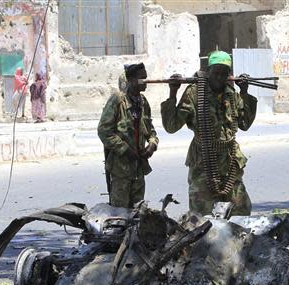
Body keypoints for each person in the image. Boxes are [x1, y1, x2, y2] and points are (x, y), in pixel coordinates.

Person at [161, 51, 258, 216]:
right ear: (208, 71)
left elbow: (244, 124)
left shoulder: (232, 94)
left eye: (224, 72)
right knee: (201, 215)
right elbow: (171, 126)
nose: (220, 77)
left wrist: (245, 92)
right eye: (216, 72)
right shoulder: (195, 93)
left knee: (240, 210)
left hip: (230, 161)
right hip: (204, 161)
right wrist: (173, 93)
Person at [98, 63, 159, 208]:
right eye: (141, 78)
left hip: (139, 169)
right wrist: (125, 149)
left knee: (138, 213)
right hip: (121, 171)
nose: (145, 81)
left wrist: (152, 145)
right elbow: (104, 131)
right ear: (131, 80)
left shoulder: (143, 102)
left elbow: (151, 132)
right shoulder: (118, 101)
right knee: (119, 216)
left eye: (146, 77)